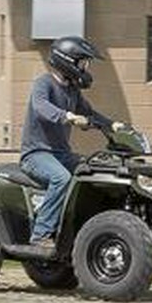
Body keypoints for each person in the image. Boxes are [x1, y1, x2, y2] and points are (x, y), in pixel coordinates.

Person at [20, 36, 125, 250]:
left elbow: (89, 113)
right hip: (36, 154)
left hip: (61, 154)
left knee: (94, 169)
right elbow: (41, 107)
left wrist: (112, 125)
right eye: (83, 62)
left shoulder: (72, 91)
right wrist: (67, 116)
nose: (86, 68)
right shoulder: (44, 83)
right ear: (68, 61)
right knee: (61, 178)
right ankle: (40, 234)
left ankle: (79, 229)